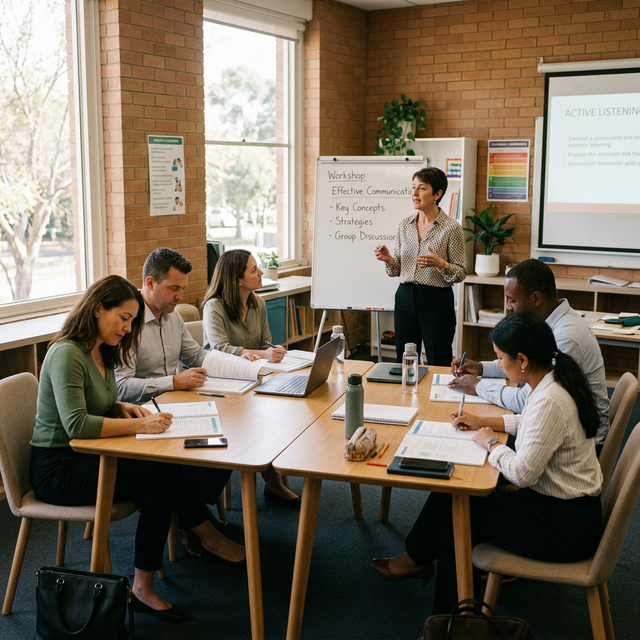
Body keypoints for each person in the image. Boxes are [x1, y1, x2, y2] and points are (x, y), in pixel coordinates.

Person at [29, 275, 246, 624]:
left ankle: (143, 587)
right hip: (58, 469)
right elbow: (76, 425)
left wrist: (120, 407)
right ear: (98, 309)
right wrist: (139, 425)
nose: (128, 329)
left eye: (132, 320)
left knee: (159, 485)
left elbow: (99, 401)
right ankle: (209, 538)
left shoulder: (102, 349)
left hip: (92, 454)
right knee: (161, 470)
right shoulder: (66, 353)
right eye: (124, 318)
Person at [370, 311, 603, 615]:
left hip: (562, 528)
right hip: (558, 509)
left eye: (500, 358)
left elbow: (522, 474)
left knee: (458, 520)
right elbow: (529, 423)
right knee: (454, 498)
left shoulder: (549, 399)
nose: (498, 366)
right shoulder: (552, 382)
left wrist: (491, 443)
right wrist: (482, 421)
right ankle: (436, 590)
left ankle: (447, 615)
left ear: (522, 360)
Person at [115, 247, 243, 553]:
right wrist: (172, 381)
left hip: (174, 407)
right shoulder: (126, 321)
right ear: (150, 283)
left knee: (229, 439)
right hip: (142, 417)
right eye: (174, 288)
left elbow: (196, 356)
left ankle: (191, 518)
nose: (180, 297)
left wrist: (243, 366)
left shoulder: (172, 317)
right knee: (191, 460)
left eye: (182, 289)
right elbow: (120, 387)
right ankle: (192, 523)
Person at [449, 258, 610, 451]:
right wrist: (482, 368)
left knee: (473, 450)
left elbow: (524, 401)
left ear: (536, 298)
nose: (508, 307)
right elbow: (524, 364)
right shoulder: (549, 322)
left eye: (512, 300)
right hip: (560, 427)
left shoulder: (565, 338)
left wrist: (478, 386)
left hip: (580, 442)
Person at [201, 248, 301, 508]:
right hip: (221, 383)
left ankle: (272, 481)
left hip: (253, 377)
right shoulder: (214, 306)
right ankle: (272, 483)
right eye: (254, 269)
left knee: (279, 411)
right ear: (237, 279)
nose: (260, 273)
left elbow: (264, 341)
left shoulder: (258, 303)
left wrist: (272, 350)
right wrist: (263, 353)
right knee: (260, 418)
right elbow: (220, 348)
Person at [374, 167, 466, 366]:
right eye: (413, 187)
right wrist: (388, 259)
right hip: (405, 298)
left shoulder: (452, 228)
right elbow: (396, 270)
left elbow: (460, 273)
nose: (414, 193)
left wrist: (441, 264)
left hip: (436, 300)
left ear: (437, 194)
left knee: (438, 359)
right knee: (405, 359)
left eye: (422, 188)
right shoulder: (404, 225)